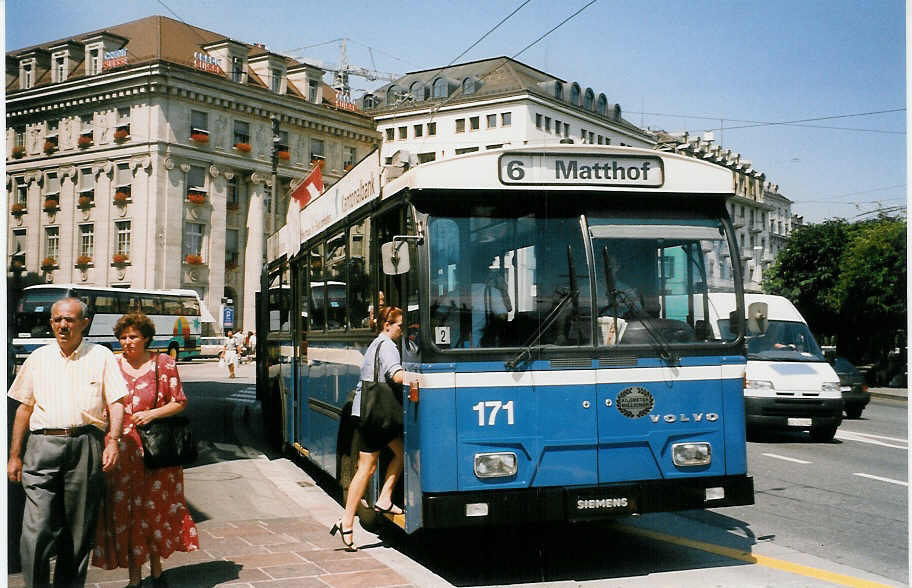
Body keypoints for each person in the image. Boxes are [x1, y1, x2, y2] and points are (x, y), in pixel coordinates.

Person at [7, 297, 127, 587]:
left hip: (86, 445)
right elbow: (24, 407)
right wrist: (14, 455)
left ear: (84, 323)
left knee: (77, 530)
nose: (63, 325)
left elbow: (117, 402)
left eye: (70, 319)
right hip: (42, 446)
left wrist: (113, 441)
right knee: (35, 529)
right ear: (51, 323)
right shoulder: (38, 358)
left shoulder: (101, 356)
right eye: (57, 319)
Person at [92, 312, 199, 587]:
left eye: (133, 337)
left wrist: (151, 415)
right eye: (123, 337)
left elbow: (179, 402)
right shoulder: (112, 365)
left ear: (146, 338)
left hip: (155, 453)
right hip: (121, 451)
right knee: (125, 512)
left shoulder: (163, 363)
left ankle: (157, 572)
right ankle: (134, 578)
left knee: (154, 512)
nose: (127, 342)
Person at [331, 306, 405, 551]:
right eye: (399, 326)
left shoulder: (375, 344)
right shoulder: (388, 347)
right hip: (377, 416)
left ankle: (383, 499)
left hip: (367, 412)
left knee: (396, 455)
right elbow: (396, 376)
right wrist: (420, 378)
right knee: (366, 469)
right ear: (387, 325)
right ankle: (347, 520)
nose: (401, 330)